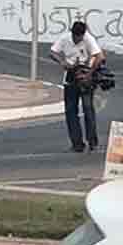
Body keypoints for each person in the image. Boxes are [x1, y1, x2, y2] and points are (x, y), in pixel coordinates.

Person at [50, 21, 102, 152]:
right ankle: (77, 143)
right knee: (71, 110)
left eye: (80, 36)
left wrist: (89, 74)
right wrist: (62, 62)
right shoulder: (65, 38)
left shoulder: (88, 39)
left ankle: (92, 141)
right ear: (72, 33)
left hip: (86, 75)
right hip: (71, 75)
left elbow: (99, 57)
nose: (78, 39)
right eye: (76, 36)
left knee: (88, 109)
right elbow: (52, 52)